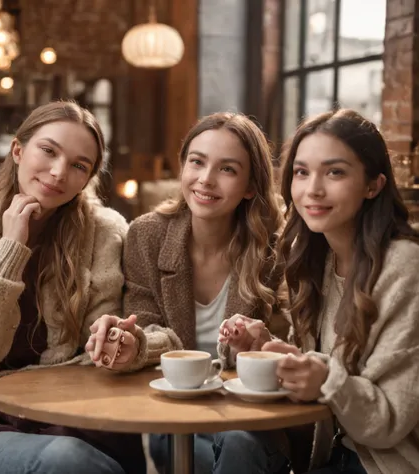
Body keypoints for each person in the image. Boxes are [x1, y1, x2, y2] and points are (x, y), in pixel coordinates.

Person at [0, 101, 147, 474]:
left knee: (104, 451)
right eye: (49, 151)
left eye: (78, 166)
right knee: (67, 460)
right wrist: (11, 250)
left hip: (69, 414)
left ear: (87, 179)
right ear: (18, 149)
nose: (58, 173)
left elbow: (95, 353)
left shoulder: (105, 232)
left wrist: (118, 343)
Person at [87, 112, 291, 474]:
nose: (206, 180)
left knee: (239, 443)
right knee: (173, 445)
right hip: (179, 416)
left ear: (250, 185)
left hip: (252, 418)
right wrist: (132, 342)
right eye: (197, 162)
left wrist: (261, 344)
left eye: (227, 169)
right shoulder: (147, 235)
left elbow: (295, 341)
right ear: (183, 167)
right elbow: (146, 325)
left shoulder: (275, 247)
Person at [219, 109, 419, 473]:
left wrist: (324, 379)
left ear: (374, 184)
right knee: (237, 442)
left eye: (335, 172)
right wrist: (269, 350)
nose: (313, 189)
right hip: (329, 456)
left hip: (387, 465)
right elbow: (333, 370)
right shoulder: (320, 260)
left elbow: (389, 420)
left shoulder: (405, 267)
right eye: (301, 172)